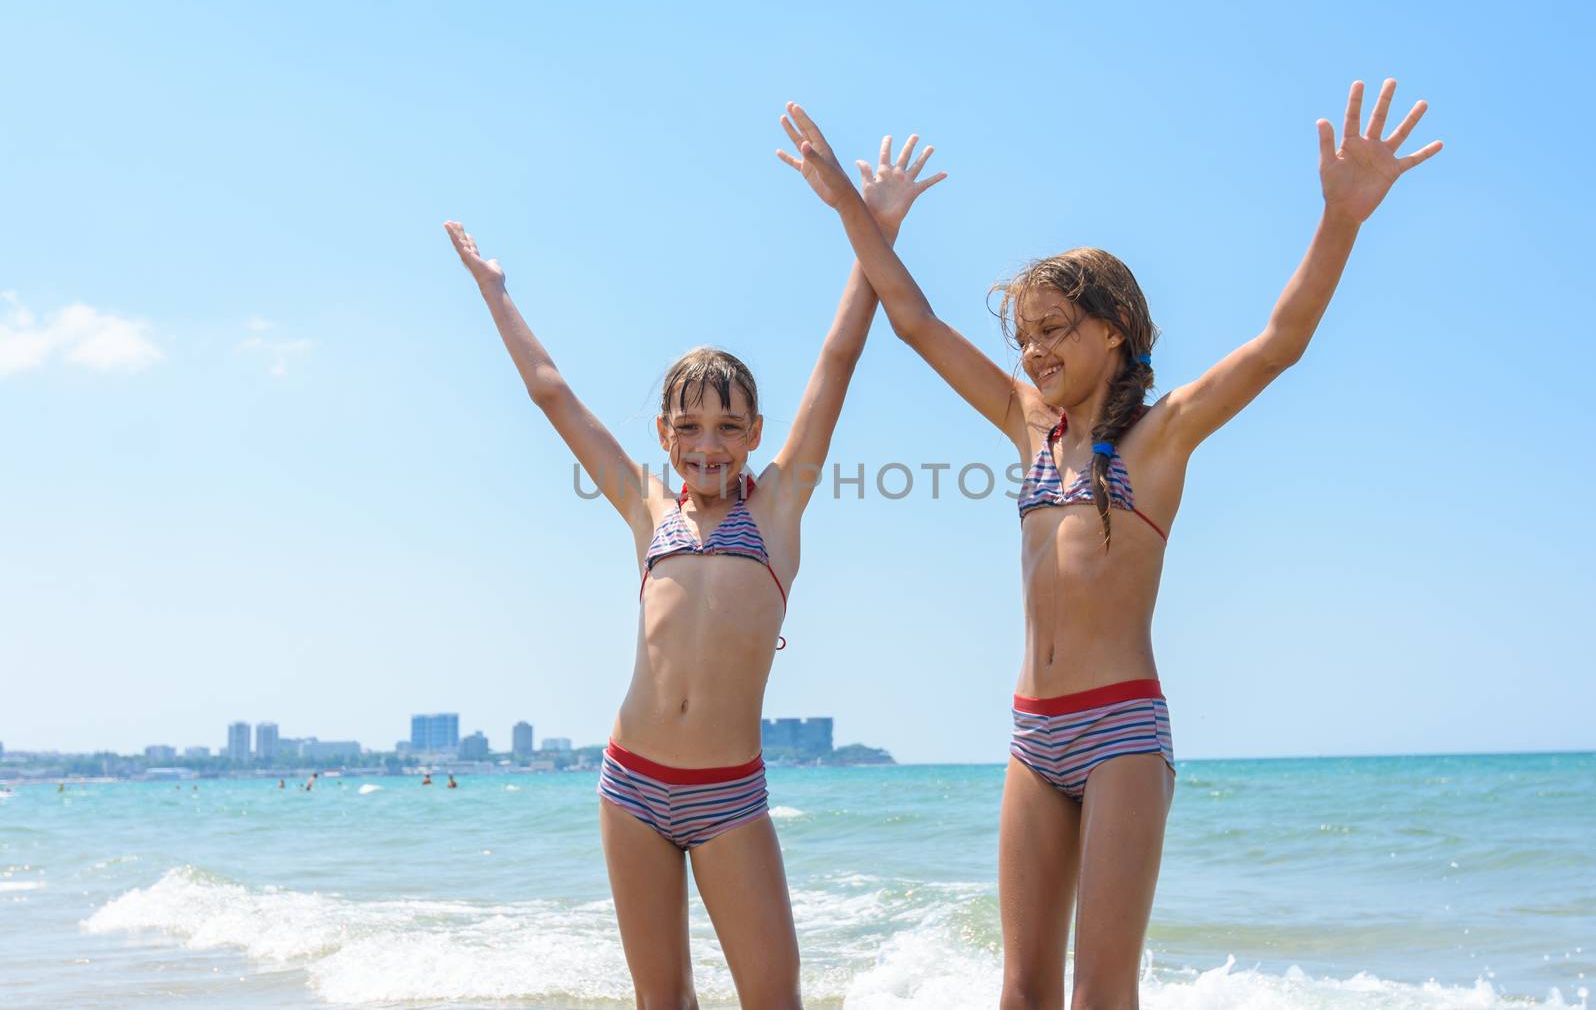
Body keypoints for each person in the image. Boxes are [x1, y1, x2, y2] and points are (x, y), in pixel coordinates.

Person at [778, 82, 1441, 1008]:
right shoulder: (1027, 422)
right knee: (1022, 990)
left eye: (1054, 329)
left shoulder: (1159, 437)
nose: (1035, 350)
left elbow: (1279, 342)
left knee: (1101, 990)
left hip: (1123, 730)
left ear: (1114, 331)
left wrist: (1340, 217)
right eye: (1024, 336)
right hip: (1030, 732)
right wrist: (851, 205)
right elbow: (915, 319)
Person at [443, 137, 943, 1007]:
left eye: (726, 426)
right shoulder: (648, 508)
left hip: (729, 795)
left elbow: (837, 361)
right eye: (688, 426)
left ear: (754, 433)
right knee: (661, 1000)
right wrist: (496, 293)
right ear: (665, 435)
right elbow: (552, 392)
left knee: (772, 997)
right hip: (630, 782)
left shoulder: (777, 507)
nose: (706, 443)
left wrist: (875, 229)